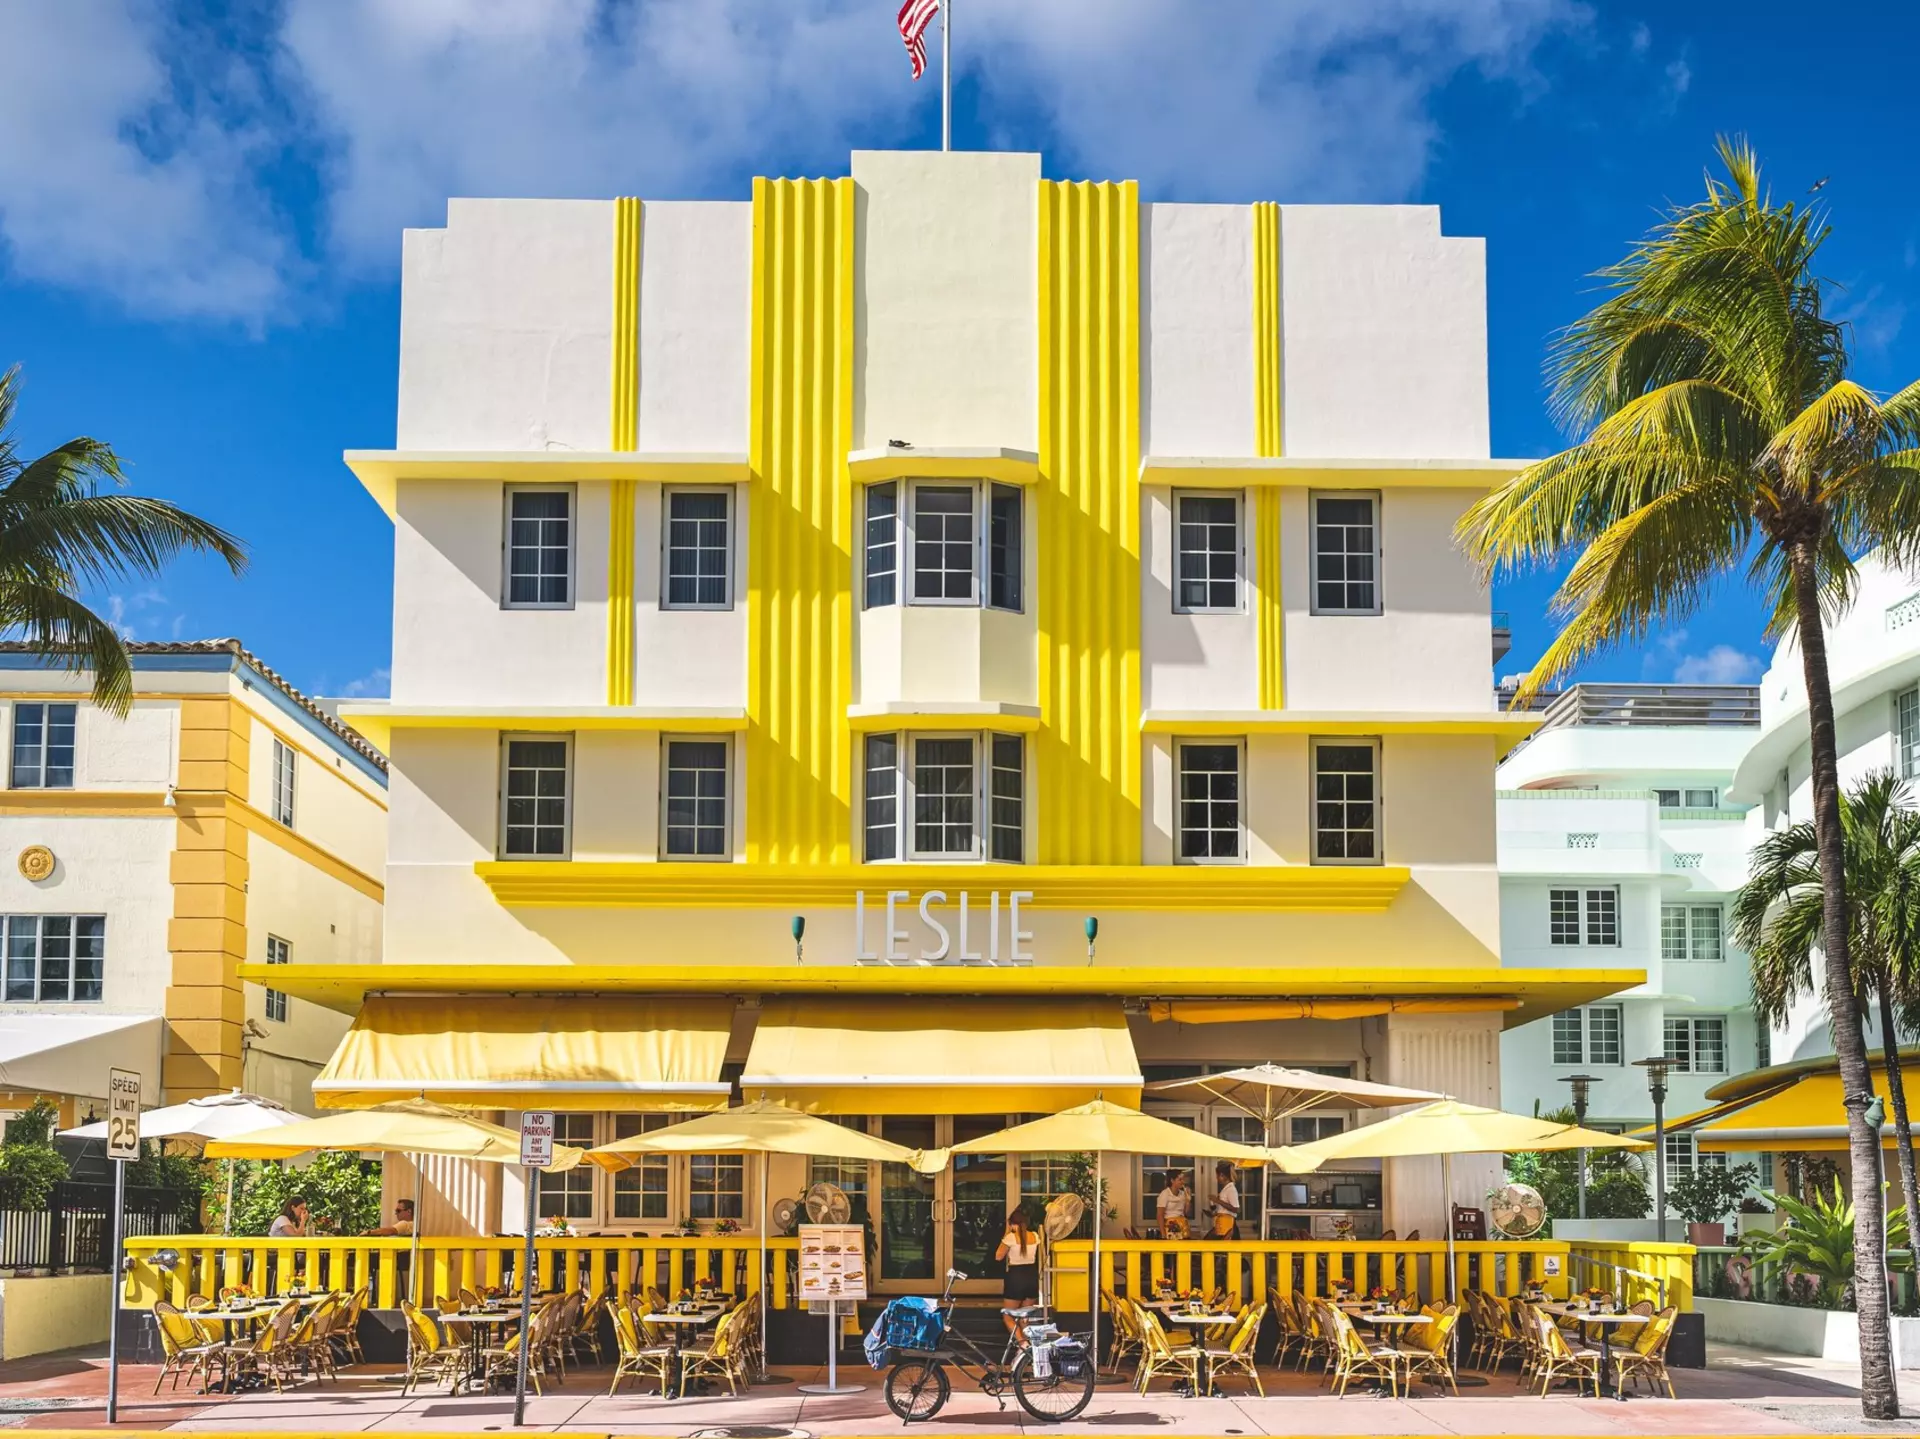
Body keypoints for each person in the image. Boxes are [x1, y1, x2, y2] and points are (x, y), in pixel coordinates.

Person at [996, 1205, 1041, 1337]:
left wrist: (1006, 1232)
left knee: (1008, 1315)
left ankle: (1022, 1342)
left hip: (1016, 1277)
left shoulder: (1010, 1237)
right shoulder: (1035, 1236)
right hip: (1032, 1277)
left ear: (1013, 1224)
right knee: (1024, 1316)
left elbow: (998, 1256)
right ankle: (1028, 1346)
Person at [1210, 1161, 1241, 1237]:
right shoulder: (1225, 1189)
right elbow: (1224, 1208)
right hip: (1221, 1224)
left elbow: (1236, 1209)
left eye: (1217, 1176)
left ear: (1222, 1175)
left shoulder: (1231, 1189)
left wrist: (1218, 1201)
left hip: (1227, 1225)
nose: (1216, 1178)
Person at [1155, 1171, 1191, 1237]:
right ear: (1172, 1180)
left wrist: (1188, 1200)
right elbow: (1160, 1215)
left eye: (1183, 1179)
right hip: (1170, 1226)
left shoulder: (1182, 1194)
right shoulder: (1165, 1194)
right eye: (1180, 1179)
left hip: (1183, 1225)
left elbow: (1186, 1213)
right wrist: (1163, 1234)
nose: (1182, 1182)